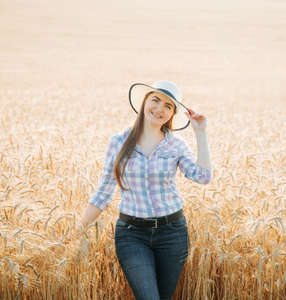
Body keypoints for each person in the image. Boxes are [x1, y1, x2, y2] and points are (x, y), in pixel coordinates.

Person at [76, 80, 212, 300]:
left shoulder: (176, 145)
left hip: (173, 233)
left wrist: (201, 133)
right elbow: (104, 192)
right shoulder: (119, 141)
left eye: (168, 106)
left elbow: (203, 177)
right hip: (132, 235)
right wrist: (78, 229)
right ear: (144, 102)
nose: (159, 109)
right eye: (155, 100)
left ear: (172, 114)